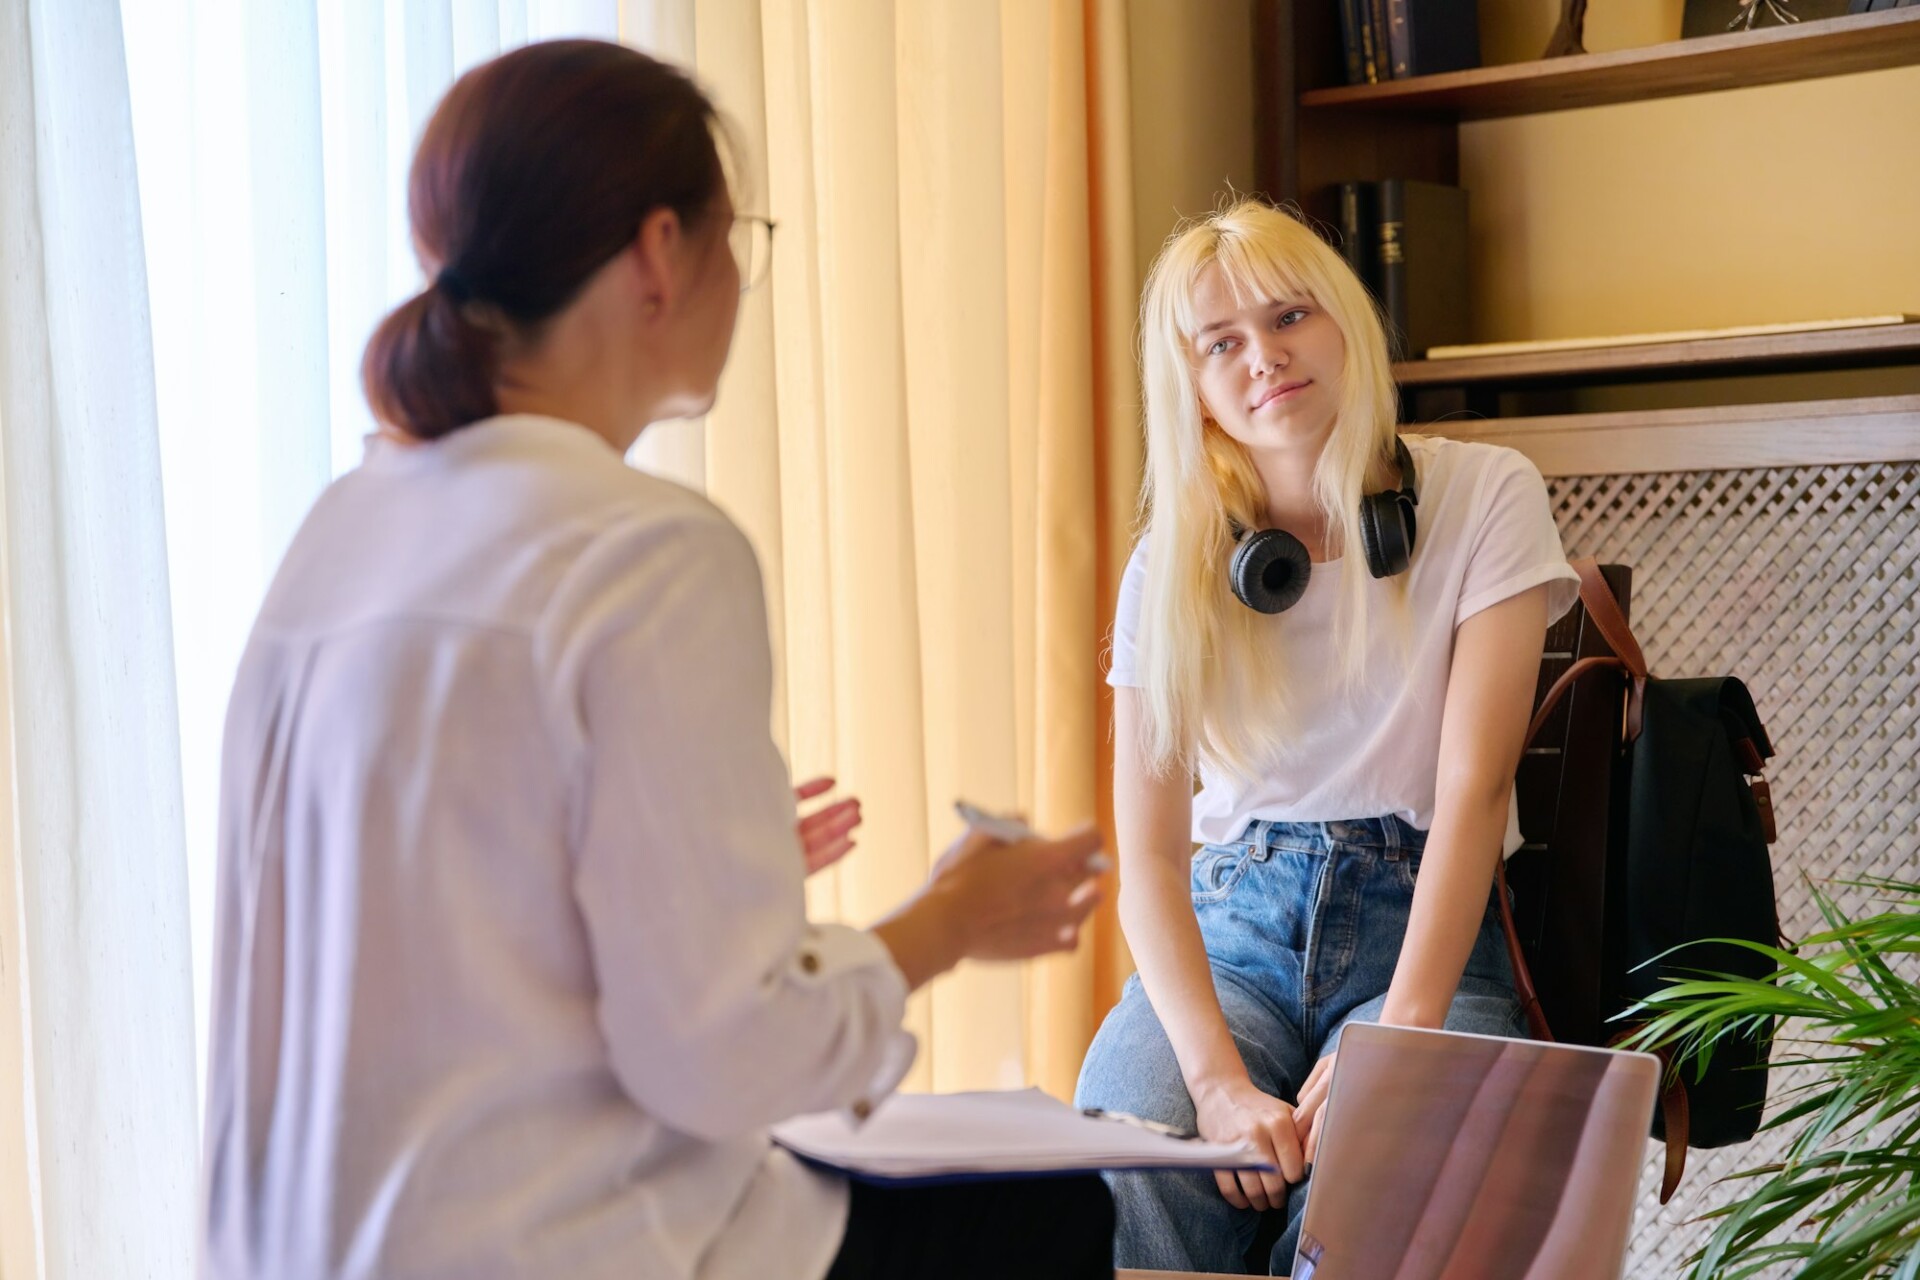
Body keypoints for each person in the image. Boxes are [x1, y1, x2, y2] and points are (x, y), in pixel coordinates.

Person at [199, 39, 1113, 1280]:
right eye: (742, 235)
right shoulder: (646, 552)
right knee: (1053, 1213)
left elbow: (444, 899)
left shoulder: (345, 526)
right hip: (541, 1250)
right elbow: (723, 1056)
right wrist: (948, 922)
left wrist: (695, 865)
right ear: (659, 252)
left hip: (293, 1254)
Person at [1073, 200, 1580, 1274]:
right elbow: (1152, 858)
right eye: (1222, 343)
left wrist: (1402, 1032)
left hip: (1426, 919)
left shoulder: (1486, 491)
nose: (1265, 356)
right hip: (1232, 933)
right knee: (1124, 1165)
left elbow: (1477, 789)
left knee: (1386, 1197)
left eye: (1288, 315)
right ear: (1196, 386)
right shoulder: (1169, 563)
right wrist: (1213, 1080)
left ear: (1343, 318)